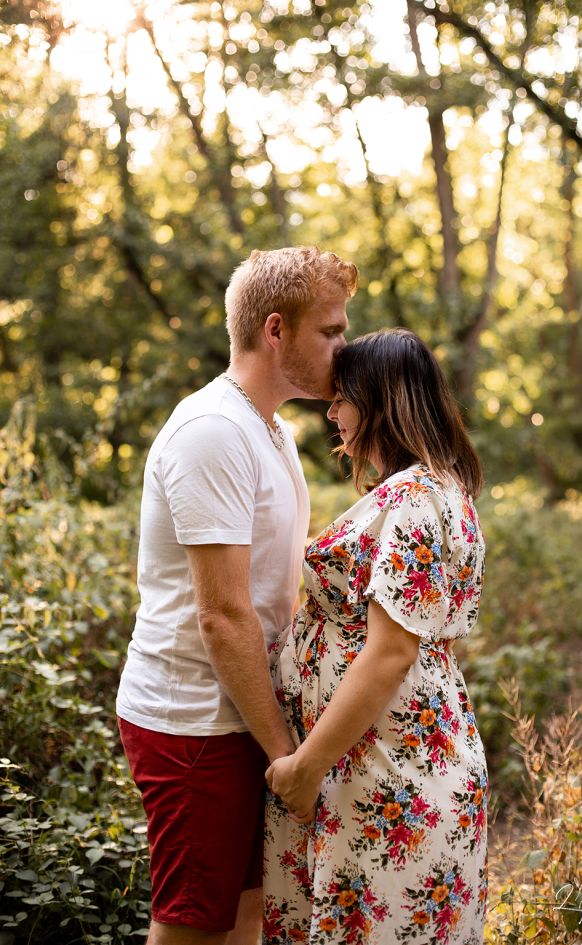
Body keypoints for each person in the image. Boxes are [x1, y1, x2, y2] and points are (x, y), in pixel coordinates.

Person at [116, 246, 358, 945]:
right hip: (194, 723)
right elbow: (222, 616)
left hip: (244, 716)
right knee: (193, 926)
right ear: (275, 330)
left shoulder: (269, 429)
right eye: (331, 331)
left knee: (249, 916)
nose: (344, 347)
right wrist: (289, 758)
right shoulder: (213, 432)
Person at [264, 328, 488, 944]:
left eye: (342, 398)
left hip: (388, 764)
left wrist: (306, 768)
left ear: (380, 401)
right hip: (385, 751)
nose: (331, 413)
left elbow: (391, 652)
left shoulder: (417, 496)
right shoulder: (442, 486)